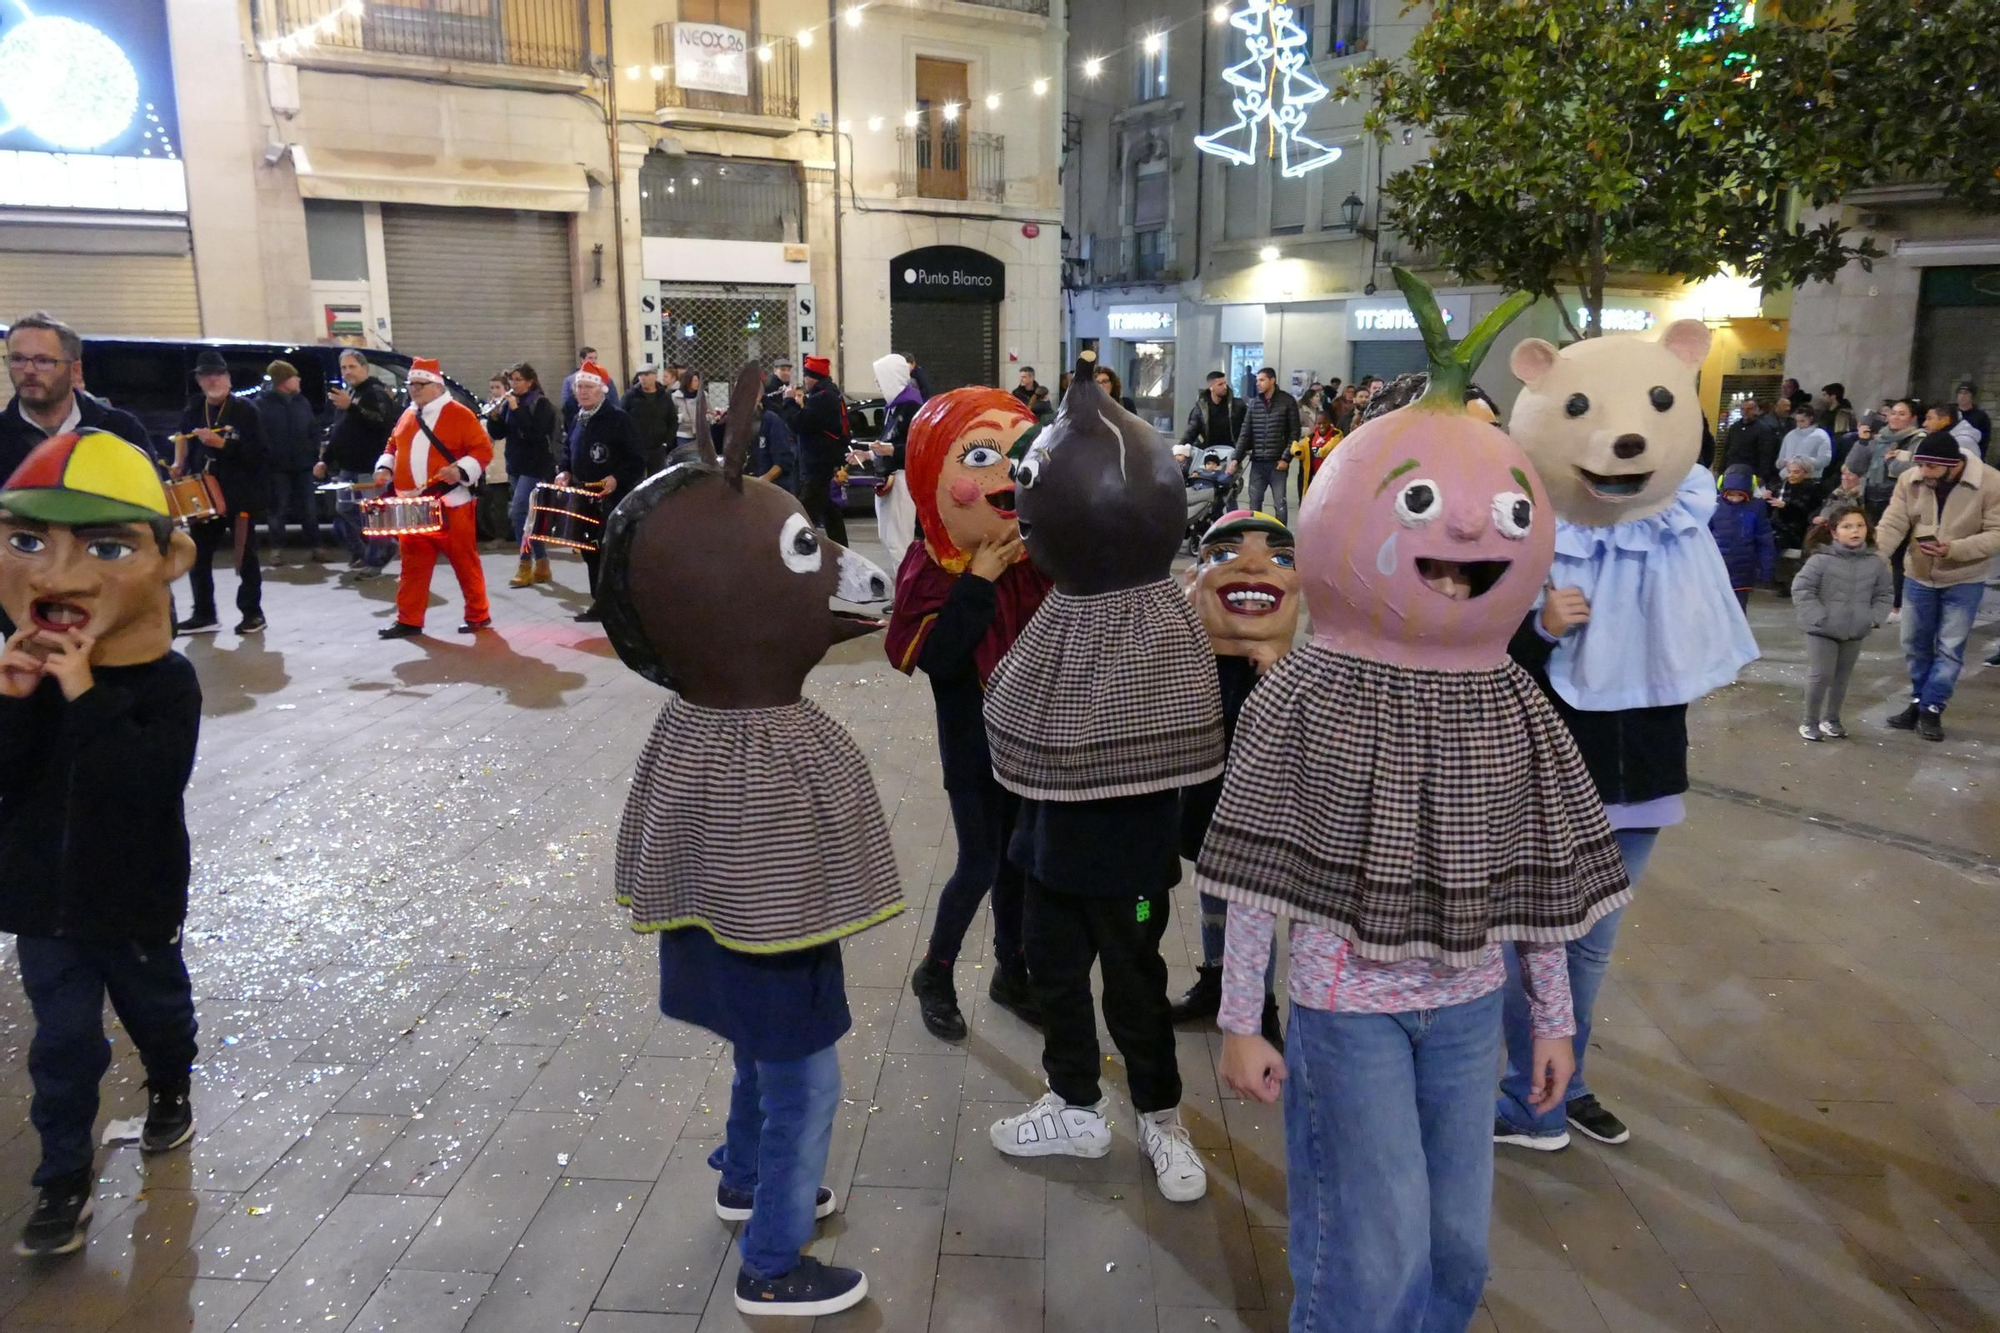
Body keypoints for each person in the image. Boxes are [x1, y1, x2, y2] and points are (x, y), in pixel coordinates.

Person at [1204, 277, 1628, 1333]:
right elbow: (1255, 866)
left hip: (1469, 1004)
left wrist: (1554, 1020)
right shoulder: (1309, 687)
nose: (1478, 533)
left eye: (1507, 516)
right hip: (1343, 1003)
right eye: (1424, 504)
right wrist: (1237, 1016)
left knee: (1454, 1244)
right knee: (1371, 1231)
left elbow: (1537, 875)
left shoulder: (1508, 697)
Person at [604, 395, 895, 1318]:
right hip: (781, 943)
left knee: (752, 1054)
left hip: (722, 941)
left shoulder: (687, 724)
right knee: (805, 1081)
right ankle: (773, 1260)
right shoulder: (772, 738)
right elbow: (799, 871)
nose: (852, 577)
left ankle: (742, 1176)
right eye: (805, 552)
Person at [1501, 313, 1752, 1153]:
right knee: (1531, 946)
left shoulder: (1676, 531)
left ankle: (1564, 1084)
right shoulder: (1522, 531)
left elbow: (1686, 652)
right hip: (1543, 780)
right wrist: (1537, 628)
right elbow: (1472, 659)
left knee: (1591, 950)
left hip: (1642, 782)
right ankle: (1517, 1089)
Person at [982, 370, 1221, 1205]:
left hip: (1129, 860)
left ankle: (1162, 1115)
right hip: (1045, 847)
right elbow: (1009, 702)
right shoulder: (1065, 608)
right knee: (1055, 976)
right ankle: (1075, 1102)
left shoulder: (1161, 611)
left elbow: (1196, 719)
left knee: (1137, 985)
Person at [0, 429, 202, 1256]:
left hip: (134, 895)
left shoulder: (167, 682)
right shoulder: (25, 670)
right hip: (43, 901)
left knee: (156, 1011)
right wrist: (15, 700)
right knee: (63, 1042)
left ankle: (170, 1082)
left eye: (107, 546)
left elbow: (146, 783)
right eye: (24, 541)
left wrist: (83, 691)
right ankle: (61, 1179)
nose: (56, 574)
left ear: (169, 558)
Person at [887, 388, 1051, 1042]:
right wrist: (979, 578)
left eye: (1019, 454)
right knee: (981, 862)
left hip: (1032, 744)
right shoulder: (932, 567)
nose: (1006, 474)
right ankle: (937, 970)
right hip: (973, 746)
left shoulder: (1037, 560)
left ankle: (1012, 971)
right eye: (980, 456)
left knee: (1019, 862)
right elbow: (940, 657)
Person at [1169, 510, 1296, 1045]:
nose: (1251, 565)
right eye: (1223, 555)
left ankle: (1259, 1004)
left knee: (1253, 906)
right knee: (1212, 892)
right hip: (1205, 797)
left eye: (1279, 557)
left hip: (1259, 813)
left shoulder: (1291, 672)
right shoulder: (1192, 657)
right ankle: (1219, 980)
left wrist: (1277, 678)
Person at [1874, 431, 2000, 741]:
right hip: (1918, 575)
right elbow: (1893, 522)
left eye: (1931, 467)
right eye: (1921, 465)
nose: (1924, 472)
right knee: (1914, 644)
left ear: (1953, 464)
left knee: (1950, 648)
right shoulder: (1911, 480)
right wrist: (1874, 561)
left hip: (1964, 578)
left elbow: (1997, 533)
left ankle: (1932, 709)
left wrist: (1953, 549)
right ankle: (1918, 701)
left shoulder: (1991, 482)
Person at [373, 356, 492, 639]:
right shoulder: (407, 415)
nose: (414, 389)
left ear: (437, 387)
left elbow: (483, 451)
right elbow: (393, 444)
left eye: (420, 384)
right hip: (413, 507)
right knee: (412, 565)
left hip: (451, 505)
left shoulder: (460, 415)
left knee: (465, 562)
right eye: (411, 384)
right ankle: (409, 620)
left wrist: (460, 469)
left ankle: (478, 614)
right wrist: (385, 467)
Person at [171, 350, 268, 636]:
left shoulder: (246, 410)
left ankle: (253, 613)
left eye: (217, 374)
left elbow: (261, 453)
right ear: (200, 381)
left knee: (244, 555)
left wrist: (222, 445)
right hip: (204, 493)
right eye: (206, 375)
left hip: (240, 494)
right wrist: (178, 463)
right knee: (197, 555)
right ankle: (204, 613)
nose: (212, 380)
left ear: (227, 378)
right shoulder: (193, 409)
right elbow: (181, 437)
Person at [1, 312, 150, 480]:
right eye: (17, 359)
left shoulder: (121, 430)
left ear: (75, 370)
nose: (28, 370)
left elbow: (154, 500)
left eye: (43, 361)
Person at [1792, 505, 1893, 743]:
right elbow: (1802, 589)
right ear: (1835, 533)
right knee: (1821, 675)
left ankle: (1832, 719)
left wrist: (1873, 618)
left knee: (1842, 678)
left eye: (1859, 526)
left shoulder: (1876, 563)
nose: (1855, 531)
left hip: (1855, 630)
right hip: (1822, 630)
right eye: (1847, 526)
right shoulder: (1820, 561)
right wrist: (1818, 616)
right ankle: (1810, 721)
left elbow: (1885, 594)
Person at [555, 360, 645, 623]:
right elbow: (568, 451)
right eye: (579, 387)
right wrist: (564, 470)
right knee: (589, 550)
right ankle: (601, 603)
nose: (582, 392)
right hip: (584, 497)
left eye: (588, 387)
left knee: (610, 552)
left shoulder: (619, 420)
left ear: (601, 391)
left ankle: (620, 605)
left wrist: (617, 478)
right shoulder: (577, 419)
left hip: (613, 498)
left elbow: (636, 458)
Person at [316, 350, 396, 580]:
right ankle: (378, 547)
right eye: (344, 368)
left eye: (352, 367)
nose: (348, 372)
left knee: (374, 514)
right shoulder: (348, 394)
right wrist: (326, 460)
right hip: (348, 467)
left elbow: (382, 422)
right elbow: (339, 431)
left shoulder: (375, 392)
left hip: (370, 467)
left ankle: (374, 559)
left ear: (364, 368)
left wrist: (352, 407)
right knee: (345, 510)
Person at [1848, 399, 1926, 617]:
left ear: (1912, 418)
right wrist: (1862, 442)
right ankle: (1869, 600)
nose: (1895, 417)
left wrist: (1893, 464)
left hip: (1898, 502)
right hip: (1871, 498)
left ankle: (1897, 604)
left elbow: (1918, 469)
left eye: (1902, 414)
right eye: (1893, 413)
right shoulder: (1879, 438)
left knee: (1897, 554)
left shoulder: (1918, 440)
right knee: (1871, 551)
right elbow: (1855, 467)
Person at [492, 363, 561, 590]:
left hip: (537, 467)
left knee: (519, 511)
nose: (513, 384)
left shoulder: (540, 404)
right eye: (511, 379)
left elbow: (534, 434)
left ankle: (525, 562)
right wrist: (494, 417)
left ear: (530, 381)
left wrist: (515, 409)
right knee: (531, 517)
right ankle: (542, 563)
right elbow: (500, 433)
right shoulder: (511, 403)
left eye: (518, 379)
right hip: (516, 466)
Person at [254, 360, 323, 564]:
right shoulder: (261, 405)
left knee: (309, 510)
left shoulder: (302, 402)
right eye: (295, 376)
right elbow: (258, 436)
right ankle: (276, 550)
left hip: (303, 466)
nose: (299, 380)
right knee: (278, 510)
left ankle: (316, 547)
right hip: (276, 468)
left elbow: (313, 429)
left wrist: (314, 452)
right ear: (284, 381)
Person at [870, 354, 922, 570]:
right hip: (889, 477)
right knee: (889, 539)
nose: (876, 383)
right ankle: (901, 595)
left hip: (901, 478)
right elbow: (889, 441)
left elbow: (918, 447)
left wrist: (890, 450)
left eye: (880, 378)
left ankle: (904, 597)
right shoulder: (895, 406)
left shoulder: (910, 406)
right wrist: (871, 454)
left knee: (899, 542)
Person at [1230, 367, 1301, 524]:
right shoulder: (1254, 404)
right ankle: (1256, 534)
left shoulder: (1287, 402)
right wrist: (1235, 459)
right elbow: (1245, 433)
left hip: (1278, 464)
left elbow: (1294, 433)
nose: (1258, 384)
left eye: (1261, 380)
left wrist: (1286, 458)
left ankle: (1281, 538)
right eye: (1257, 381)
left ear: (1272, 380)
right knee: (1254, 503)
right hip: (1257, 463)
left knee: (1279, 504)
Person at [793, 356, 850, 546]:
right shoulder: (829, 394)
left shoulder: (822, 398)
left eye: (806, 377)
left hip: (818, 465)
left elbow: (799, 423)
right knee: (831, 514)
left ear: (814, 377)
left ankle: (796, 549)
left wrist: (789, 403)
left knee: (803, 514)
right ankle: (842, 551)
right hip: (826, 462)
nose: (804, 382)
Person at [1710, 465, 1775, 611]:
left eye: (1739, 495)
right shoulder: (1713, 505)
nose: (1735, 499)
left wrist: (1766, 569)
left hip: (1743, 571)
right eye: (1731, 494)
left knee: (1738, 610)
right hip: (1715, 568)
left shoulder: (1756, 507)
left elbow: (1764, 539)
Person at [1180, 371, 1246, 462]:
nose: (1224, 387)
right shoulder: (1201, 409)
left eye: (1225, 383)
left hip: (1232, 453)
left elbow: (1246, 429)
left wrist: (1242, 450)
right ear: (1211, 387)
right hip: (1209, 453)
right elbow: (1191, 431)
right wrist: (1180, 450)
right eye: (1220, 384)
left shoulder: (1237, 406)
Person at [624, 366, 677, 474]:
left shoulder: (664, 397)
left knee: (657, 480)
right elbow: (621, 419)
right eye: (640, 375)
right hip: (636, 448)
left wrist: (667, 441)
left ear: (655, 376)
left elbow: (672, 420)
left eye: (646, 375)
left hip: (657, 448)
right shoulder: (630, 396)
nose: (643, 378)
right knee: (636, 479)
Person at [1721, 398, 1781, 484]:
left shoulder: (1764, 429)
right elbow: (1727, 449)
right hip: (1731, 470)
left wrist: (1761, 475)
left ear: (1757, 410)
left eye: (1749, 409)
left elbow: (1766, 455)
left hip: (1751, 472)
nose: (1745, 412)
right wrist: (1721, 470)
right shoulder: (1734, 427)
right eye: (1742, 409)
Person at [561, 346, 618, 423]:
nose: (594, 361)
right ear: (582, 360)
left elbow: (614, 400)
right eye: (590, 358)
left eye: (595, 358)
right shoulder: (570, 381)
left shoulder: (607, 380)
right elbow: (566, 404)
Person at [1779, 404, 1834, 478]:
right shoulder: (1790, 435)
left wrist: (1804, 462)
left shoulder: (1821, 435)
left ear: (1811, 418)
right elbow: (1780, 459)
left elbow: (1824, 460)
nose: (1799, 424)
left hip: (1809, 478)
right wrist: (1782, 463)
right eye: (1797, 421)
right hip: (1787, 477)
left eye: (1802, 421)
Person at [751, 407, 798, 493]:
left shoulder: (772, 421)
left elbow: (783, 461)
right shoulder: (737, 424)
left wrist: (765, 479)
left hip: (774, 488)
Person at [672, 370, 706, 465]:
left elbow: (709, 411)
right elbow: (672, 415)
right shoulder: (676, 397)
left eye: (698, 380)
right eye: (694, 380)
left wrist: (707, 417)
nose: (697, 383)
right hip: (683, 433)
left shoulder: (703, 395)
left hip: (699, 434)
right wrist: (680, 418)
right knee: (685, 460)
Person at [1956, 383, 1990, 458]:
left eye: (1966, 393)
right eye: (1960, 393)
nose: (1962, 396)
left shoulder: (1981, 416)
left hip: (1972, 455)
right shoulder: (1950, 413)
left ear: (1972, 396)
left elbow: (1984, 440)